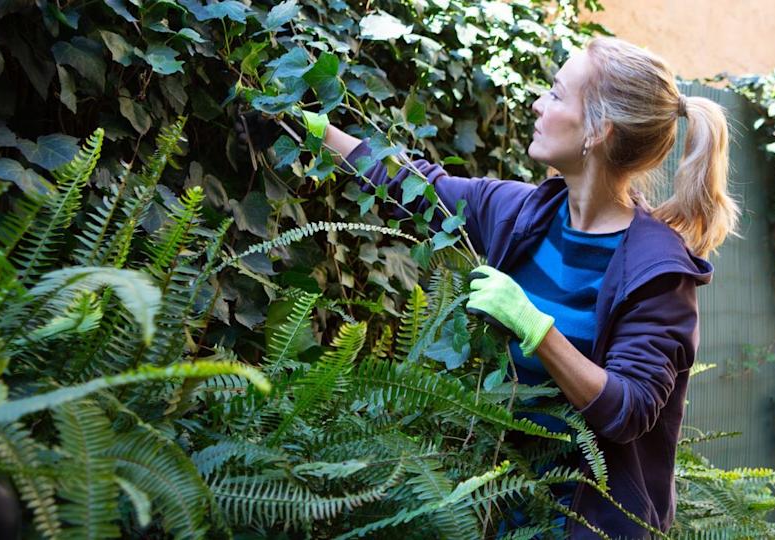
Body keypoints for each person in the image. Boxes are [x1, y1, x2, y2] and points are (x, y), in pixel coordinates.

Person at [237, 35, 739, 540]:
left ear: (598, 130)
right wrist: (318, 132)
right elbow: (416, 186)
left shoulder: (658, 272)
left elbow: (628, 410)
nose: (538, 104)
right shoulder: (522, 213)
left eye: (557, 94)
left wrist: (535, 330)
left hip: (598, 527)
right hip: (506, 515)